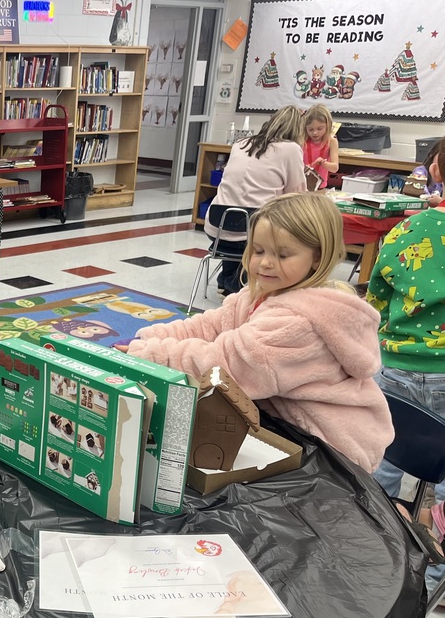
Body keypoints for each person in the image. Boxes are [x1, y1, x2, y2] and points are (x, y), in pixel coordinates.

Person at [125, 192, 392, 474]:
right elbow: (210, 326)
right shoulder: (263, 294)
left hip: (329, 451)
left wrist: (150, 355)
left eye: (283, 254)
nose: (265, 263)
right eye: (259, 250)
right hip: (289, 429)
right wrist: (148, 337)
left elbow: (225, 365)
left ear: (317, 257)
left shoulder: (296, 323)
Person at [368, 141, 445, 589]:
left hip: (393, 365)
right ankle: (435, 574)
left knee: (383, 458)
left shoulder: (407, 230)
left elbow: (376, 299)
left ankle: (377, 544)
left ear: (435, 167)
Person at [206, 105, 307, 295]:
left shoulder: (241, 143)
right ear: (298, 130)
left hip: (216, 226)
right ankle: (239, 286)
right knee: (271, 227)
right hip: (250, 234)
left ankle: (227, 281)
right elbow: (297, 195)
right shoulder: (291, 149)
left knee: (242, 222)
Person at [302, 103, 339, 189]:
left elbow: (335, 168)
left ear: (328, 126)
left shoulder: (332, 142)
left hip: (320, 187)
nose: (315, 133)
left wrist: (323, 163)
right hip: (302, 186)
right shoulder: (302, 141)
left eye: (319, 128)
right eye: (310, 129)